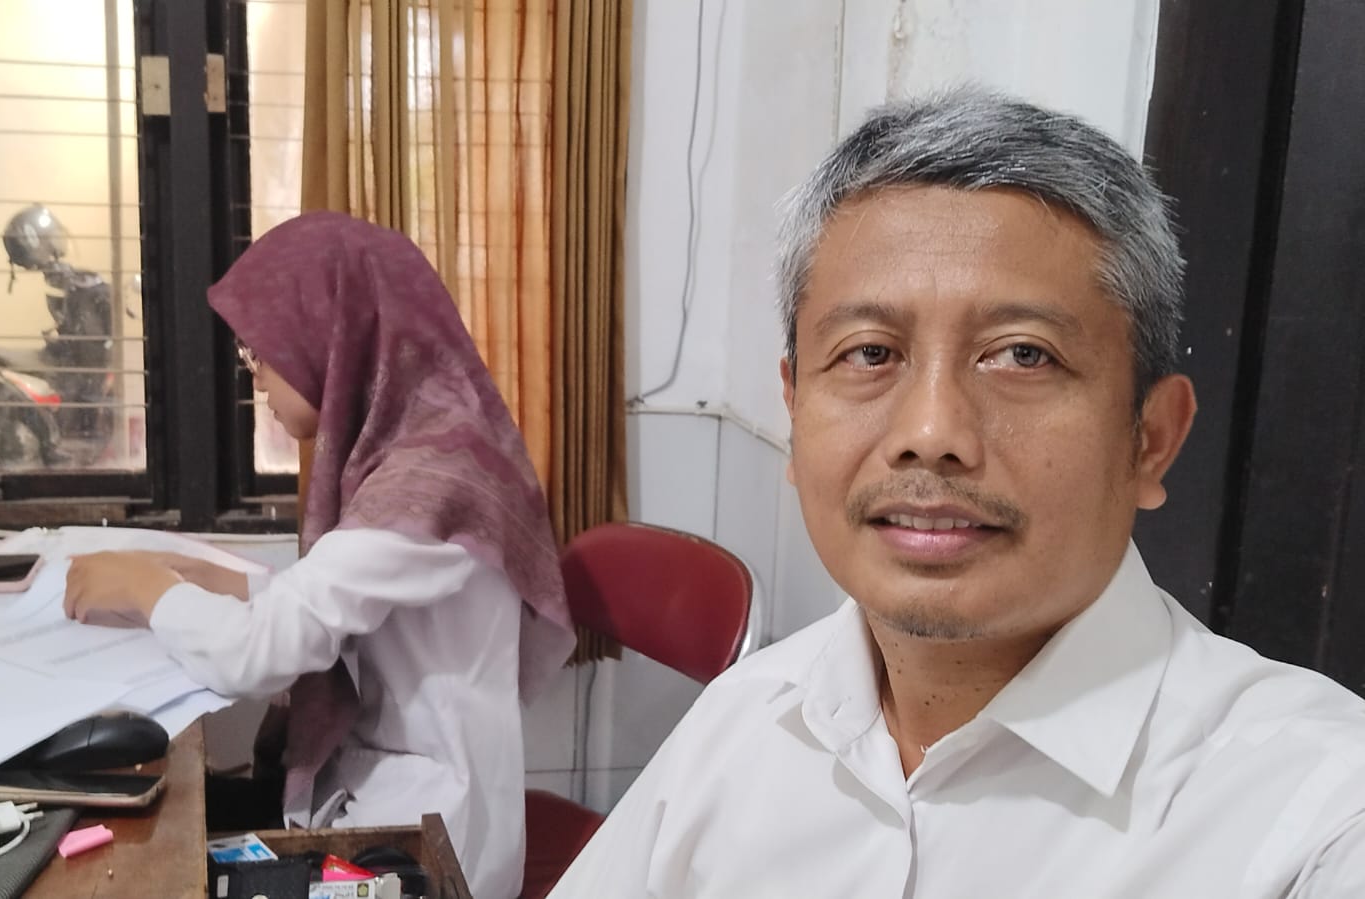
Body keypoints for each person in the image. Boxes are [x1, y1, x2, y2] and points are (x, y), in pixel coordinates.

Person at [549, 89, 1365, 897]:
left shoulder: (1315, 813)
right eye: (869, 353)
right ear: (794, 412)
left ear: (1149, 438)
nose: (930, 430)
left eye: (1022, 355)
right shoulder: (742, 719)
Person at [61, 211, 576, 899]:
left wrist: (146, 589)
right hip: (385, 789)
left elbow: (261, 652)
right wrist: (216, 582)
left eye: (259, 353)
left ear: (333, 334)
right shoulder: (414, 447)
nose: (256, 380)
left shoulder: (433, 484)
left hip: (430, 839)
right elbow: (347, 596)